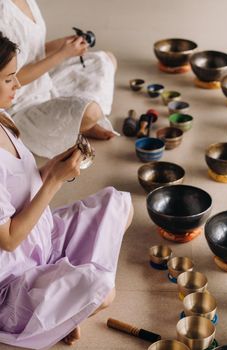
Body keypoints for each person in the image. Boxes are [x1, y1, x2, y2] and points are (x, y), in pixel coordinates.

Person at [0, 32, 133, 349]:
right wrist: (56, 181)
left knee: (118, 204)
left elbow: (20, 179)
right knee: (102, 289)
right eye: (8, 79)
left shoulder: (3, 119)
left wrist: (51, 168)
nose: (18, 85)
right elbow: (9, 239)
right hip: (13, 280)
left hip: (41, 242)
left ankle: (64, 309)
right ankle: (57, 314)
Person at [0, 0, 119, 159]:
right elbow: (10, 77)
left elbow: (32, 48)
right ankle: (79, 124)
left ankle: (75, 123)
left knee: (106, 61)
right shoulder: (2, 10)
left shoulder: (27, 1)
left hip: (45, 83)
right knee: (91, 112)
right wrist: (62, 54)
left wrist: (64, 45)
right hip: (18, 105)